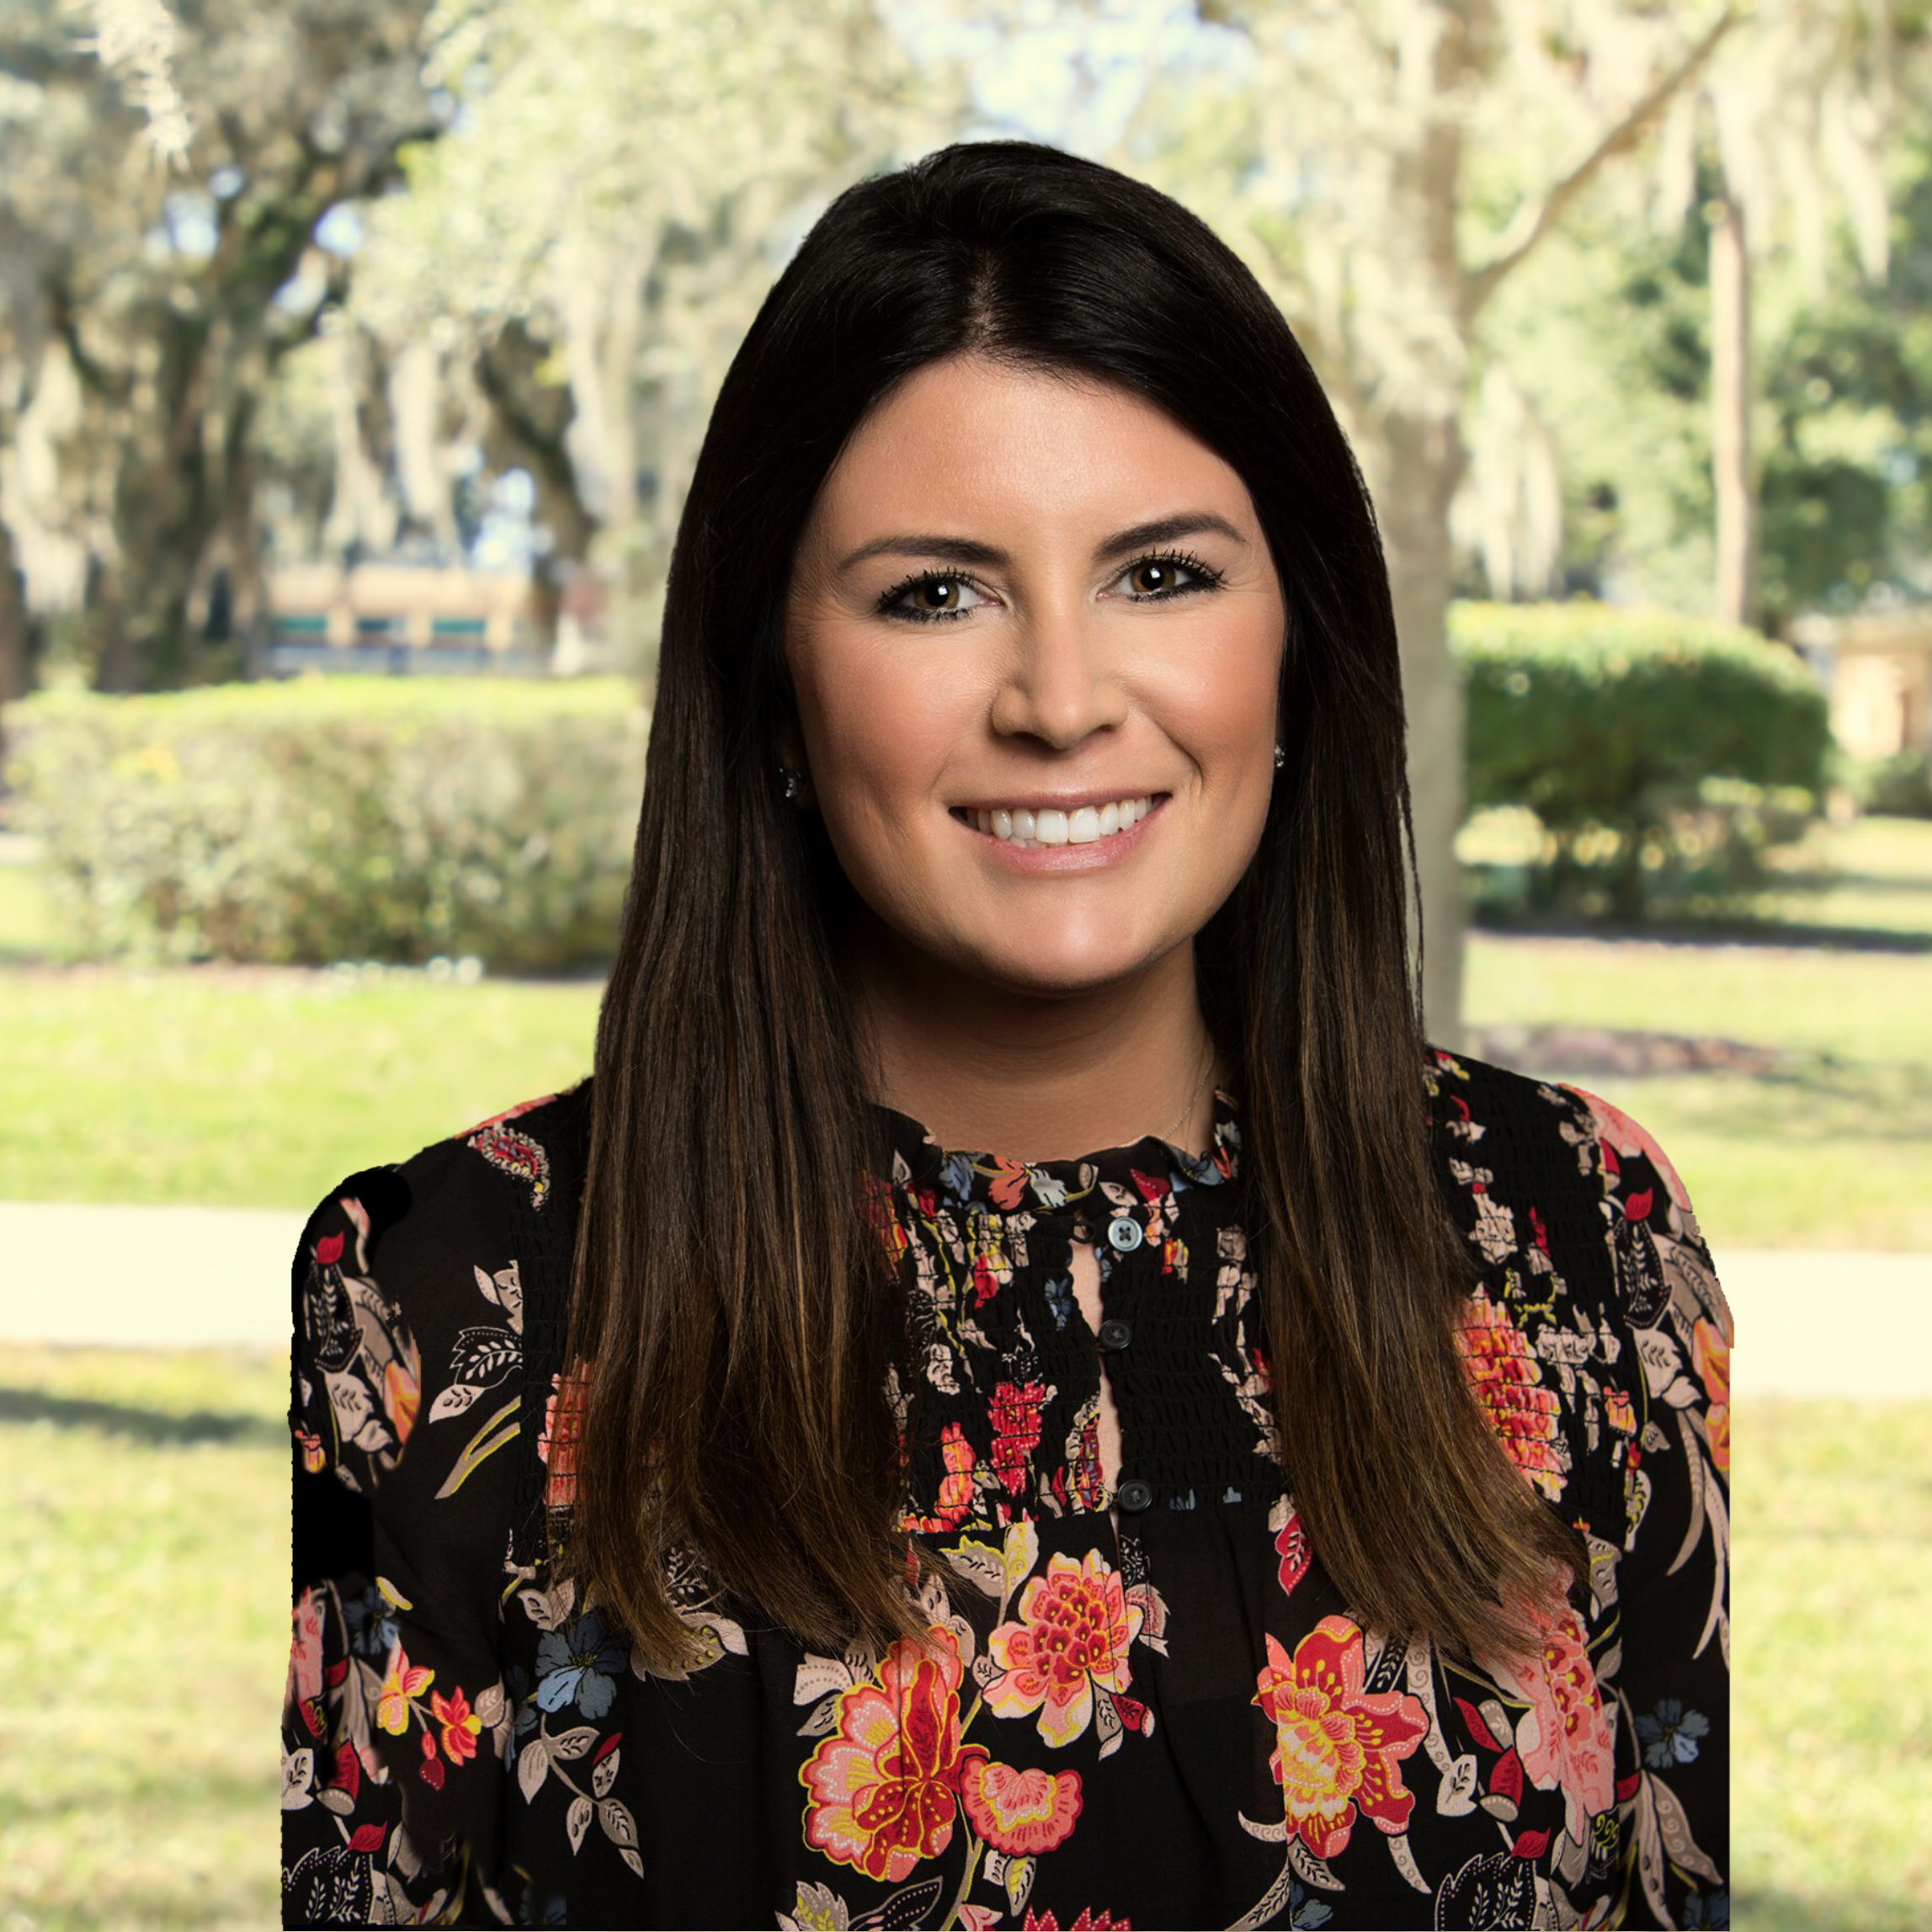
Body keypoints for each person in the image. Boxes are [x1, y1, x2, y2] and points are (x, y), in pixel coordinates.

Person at [282, 141, 1731, 1930]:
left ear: (1297, 636)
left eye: (1162, 575)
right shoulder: (444, 1302)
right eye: (934, 594)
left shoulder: (1577, 1233)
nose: (1059, 700)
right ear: (776, 690)